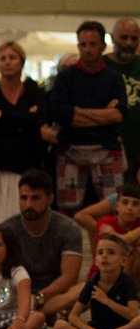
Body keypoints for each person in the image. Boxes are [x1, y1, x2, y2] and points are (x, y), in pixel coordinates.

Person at [50, 21, 127, 214]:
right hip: (70, 149)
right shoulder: (65, 77)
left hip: (107, 148)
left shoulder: (114, 77)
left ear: (102, 46)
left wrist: (77, 111)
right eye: (83, 44)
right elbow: (61, 114)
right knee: (67, 211)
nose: (88, 49)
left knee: (114, 208)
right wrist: (103, 113)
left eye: (92, 44)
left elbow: (118, 115)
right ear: (78, 46)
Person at [0, 40, 51, 226]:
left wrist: (1, 116)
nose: (7, 62)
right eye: (2, 58)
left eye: (12, 57)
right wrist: (22, 119)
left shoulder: (33, 91)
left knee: (21, 219)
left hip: (24, 163)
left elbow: (39, 120)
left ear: (22, 62)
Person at [0, 170, 86, 319]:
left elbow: (69, 278)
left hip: (53, 295)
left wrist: (39, 298)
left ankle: (25, 314)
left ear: (50, 198)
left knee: (86, 288)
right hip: (16, 294)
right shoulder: (7, 229)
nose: (28, 204)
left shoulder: (68, 228)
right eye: (24, 198)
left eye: (35, 198)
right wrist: (23, 298)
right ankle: (41, 315)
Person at [51, 235, 138, 329]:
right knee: (59, 325)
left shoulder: (128, 282)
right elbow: (73, 316)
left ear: (123, 261)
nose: (105, 256)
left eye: (111, 252)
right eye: (100, 253)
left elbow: (133, 315)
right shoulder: (92, 282)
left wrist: (107, 301)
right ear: (96, 260)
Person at [111, 17, 140, 189]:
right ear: (112, 38)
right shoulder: (102, 65)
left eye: (134, 38)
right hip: (112, 148)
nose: (129, 43)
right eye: (124, 38)